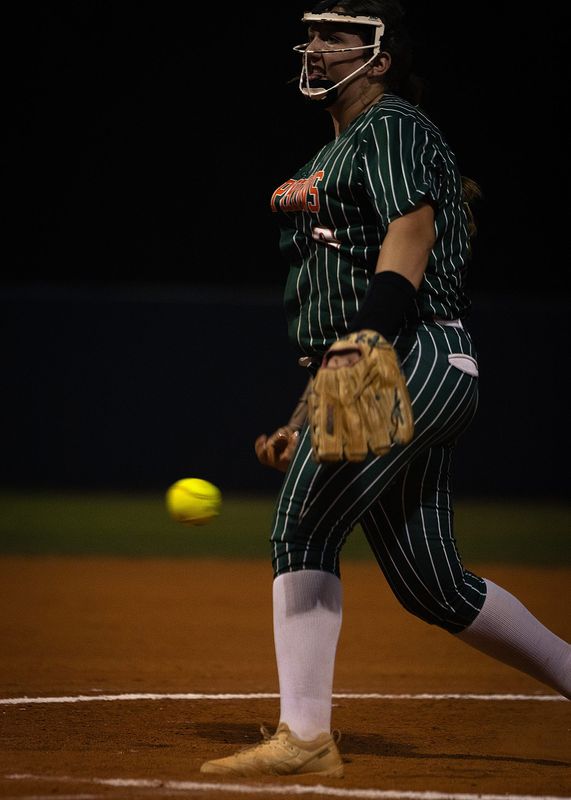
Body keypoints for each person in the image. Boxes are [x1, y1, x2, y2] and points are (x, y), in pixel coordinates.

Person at [201, 0, 570, 778]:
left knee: (302, 525)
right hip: (389, 363)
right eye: (312, 33)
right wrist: (312, 416)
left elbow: (410, 234)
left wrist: (366, 343)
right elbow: (345, 299)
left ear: (379, 58)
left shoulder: (392, 124)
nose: (314, 46)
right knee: (432, 587)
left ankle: (304, 738)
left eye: (336, 36)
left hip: (412, 353)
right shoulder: (329, 154)